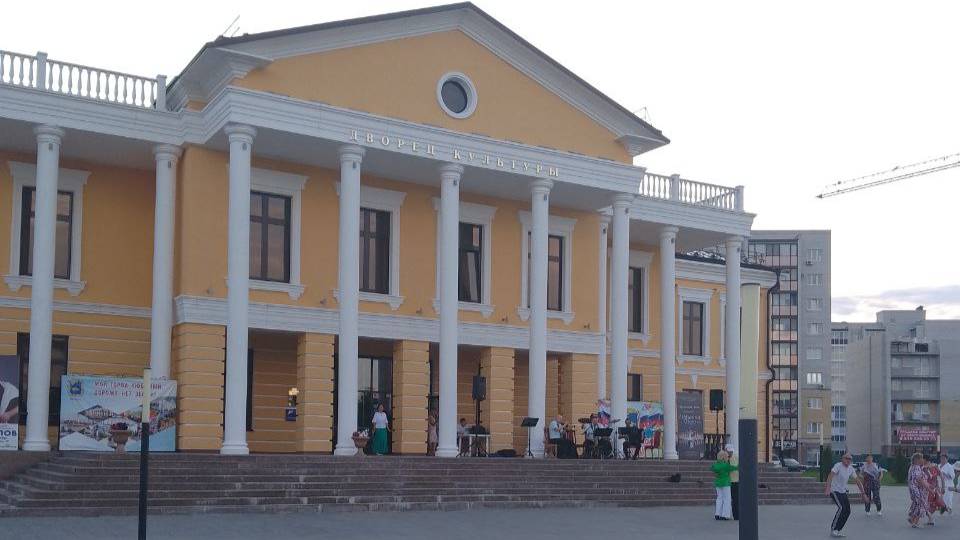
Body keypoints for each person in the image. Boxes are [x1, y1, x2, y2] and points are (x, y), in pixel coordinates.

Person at [824, 453, 866, 537]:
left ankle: (838, 530)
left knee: (847, 511)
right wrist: (828, 488)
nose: (848, 460)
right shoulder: (838, 466)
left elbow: (857, 481)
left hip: (842, 491)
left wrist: (863, 493)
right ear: (842, 459)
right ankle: (833, 529)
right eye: (847, 458)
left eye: (850, 459)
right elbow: (830, 475)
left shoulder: (851, 468)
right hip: (834, 490)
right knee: (841, 508)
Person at [908, 453, 934, 528]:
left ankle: (912, 518)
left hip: (914, 489)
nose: (923, 460)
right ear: (917, 460)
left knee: (917, 503)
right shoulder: (916, 467)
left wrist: (929, 485)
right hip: (916, 489)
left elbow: (922, 479)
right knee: (920, 504)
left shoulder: (914, 467)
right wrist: (929, 488)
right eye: (921, 458)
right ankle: (915, 522)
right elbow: (919, 479)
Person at [711, 450, 738, 521]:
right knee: (727, 499)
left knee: (719, 498)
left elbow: (712, 468)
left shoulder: (715, 465)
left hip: (718, 483)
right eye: (727, 456)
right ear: (724, 457)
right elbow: (734, 468)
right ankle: (725, 515)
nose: (728, 458)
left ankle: (717, 514)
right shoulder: (726, 465)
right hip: (726, 483)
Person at [725, 444, 740, 521]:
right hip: (733, 481)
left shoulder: (735, 456)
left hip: (735, 481)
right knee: (735, 499)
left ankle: (736, 516)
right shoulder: (731, 456)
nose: (728, 453)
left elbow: (732, 468)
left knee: (735, 499)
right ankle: (736, 515)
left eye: (728, 452)